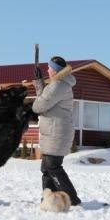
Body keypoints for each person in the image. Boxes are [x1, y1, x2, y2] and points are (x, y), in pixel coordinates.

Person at [32, 56, 81, 206]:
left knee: (53, 167)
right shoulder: (59, 84)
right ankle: (48, 199)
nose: (47, 70)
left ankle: (72, 199)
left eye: (49, 67)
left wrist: (41, 86)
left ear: (55, 70)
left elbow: (38, 106)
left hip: (56, 133)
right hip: (55, 132)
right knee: (47, 168)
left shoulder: (57, 86)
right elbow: (44, 101)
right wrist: (40, 84)